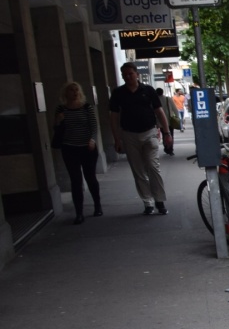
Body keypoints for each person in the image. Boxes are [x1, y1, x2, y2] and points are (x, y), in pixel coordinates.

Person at [109, 61, 173, 215]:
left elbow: (159, 112)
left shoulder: (148, 90)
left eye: (130, 74)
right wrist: (117, 139)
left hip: (149, 132)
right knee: (138, 171)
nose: (128, 77)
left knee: (152, 166)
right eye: (125, 75)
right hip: (129, 134)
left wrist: (166, 133)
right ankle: (147, 202)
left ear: (137, 74)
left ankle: (159, 200)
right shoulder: (118, 93)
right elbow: (113, 117)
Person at [54, 81, 102, 224]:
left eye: (76, 90)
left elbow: (94, 126)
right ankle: (79, 212)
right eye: (71, 90)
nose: (74, 92)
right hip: (69, 148)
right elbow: (56, 129)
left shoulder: (86, 107)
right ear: (66, 93)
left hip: (87, 147)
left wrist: (93, 140)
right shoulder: (61, 109)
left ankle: (97, 205)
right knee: (75, 180)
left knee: (90, 177)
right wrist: (58, 121)